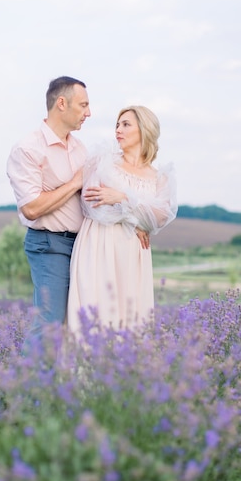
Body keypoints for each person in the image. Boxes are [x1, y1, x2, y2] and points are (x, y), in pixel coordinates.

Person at [67, 105, 177, 331]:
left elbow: (158, 218)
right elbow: (93, 206)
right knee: (93, 311)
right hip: (98, 244)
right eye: (117, 124)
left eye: (126, 124)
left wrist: (122, 198)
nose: (118, 130)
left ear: (144, 130)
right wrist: (135, 219)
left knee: (129, 319)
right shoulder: (103, 162)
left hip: (133, 254)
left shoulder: (159, 178)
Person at [6, 76, 91, 343]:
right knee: (49, 323)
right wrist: (75, 183)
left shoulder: (80, 149)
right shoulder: (28, 149)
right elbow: (31, 208)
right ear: (61, 103)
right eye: (83, 105)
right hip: (50, 244)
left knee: (78, 324)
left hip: (82, 245)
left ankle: (60, 384)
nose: (89, 113)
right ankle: (30, 384)